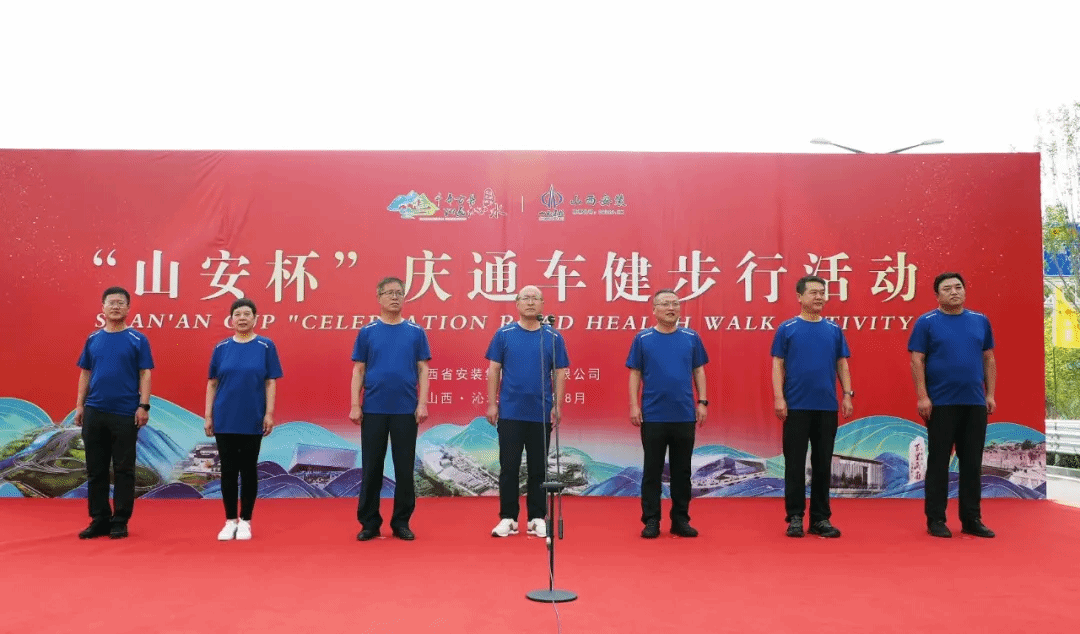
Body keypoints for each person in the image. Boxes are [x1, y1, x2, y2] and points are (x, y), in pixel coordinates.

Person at [909, 272, 996, 539]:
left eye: (958, 287)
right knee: (938, 462)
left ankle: (971, 519)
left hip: (974, 402)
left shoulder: (980, 320)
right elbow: (917, 360)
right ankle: (936, 519)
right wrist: (923, 396)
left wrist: (990, 394)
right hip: (941, 403)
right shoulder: (927, 322)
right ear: (937, 295)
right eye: (947, 289)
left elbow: (989, 359)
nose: (954, 292)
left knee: (972, 463)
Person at [771, 275, 853, 539]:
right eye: (813, 292)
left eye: (822, 292)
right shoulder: (787, 328)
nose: (819, 297)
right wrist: (779, 398)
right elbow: (777, 365)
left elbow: (842, 363)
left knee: (822, 464)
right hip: (796, 407)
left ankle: (820, 518)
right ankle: (795, 517)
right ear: (799, 297)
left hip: (826, 407)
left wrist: (847, 394)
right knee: (794, 464)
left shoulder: (833, 329)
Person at [69, 286, 154, 539]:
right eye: (111, 302)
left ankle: (120, 520)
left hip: (125, 412)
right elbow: (85, 373)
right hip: (94, 411)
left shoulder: (138, 339)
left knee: (124, 469)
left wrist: (144, 406)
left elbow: (145, 373)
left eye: (120, 303)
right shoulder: (93, 339)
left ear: (128, 308)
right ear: (103, 308)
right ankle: (99, 518)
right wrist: (80, 405)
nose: (115, 306)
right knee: (95, 469)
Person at [350, 277, 431, 541]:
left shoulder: (416, 332)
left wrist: (422, 403)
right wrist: (355, 405)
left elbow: (423, 369)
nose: (395, 297)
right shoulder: (368, 332)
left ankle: (401, 522)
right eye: (389, 293)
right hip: (374, 408)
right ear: (379, 297)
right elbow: (359, 370)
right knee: (371, 467)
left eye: (399, 293)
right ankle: (369, 523)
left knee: (404, 469)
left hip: (406, 410)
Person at [486, 285, 569, 538]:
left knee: (538, 469)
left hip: (540, 413)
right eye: (526, 298)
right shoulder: (504, 334)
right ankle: (508, 518)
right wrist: (492, 403)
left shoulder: (552, 337)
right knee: (509, 467)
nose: (531, 302)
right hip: (510, 412)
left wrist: (557, 405)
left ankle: (536, 518)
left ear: (542, 304)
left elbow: (560, 372)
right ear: (517, 304)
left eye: (535, 298)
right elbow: (494, 370)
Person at [627, 289, 708, 539]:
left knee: (682, 471)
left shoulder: (691, 337)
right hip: (653, 415)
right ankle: (651, 519)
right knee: (652, 470)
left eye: (675, 303)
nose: (671, 308)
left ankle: (680, 519)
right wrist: (634, 405)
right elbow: (635, 373)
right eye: (665, 304)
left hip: (684, 414)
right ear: (654, 310)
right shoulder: (643, 339)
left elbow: (698, 371)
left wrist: (702, 402)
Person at [204, 298, 283, 541]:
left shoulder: (265, 346)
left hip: (253, 416)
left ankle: (246, 521)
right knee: (228, 471)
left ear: (255, 318)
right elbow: (212, 383)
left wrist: (269, 413)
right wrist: (208, 415)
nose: (242, 318)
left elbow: (270, 382)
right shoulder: (221, 347)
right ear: (231, 319)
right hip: (225, 417)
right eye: (237, 314)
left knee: (248, 470)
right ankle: (230, 521)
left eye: (247, 314)